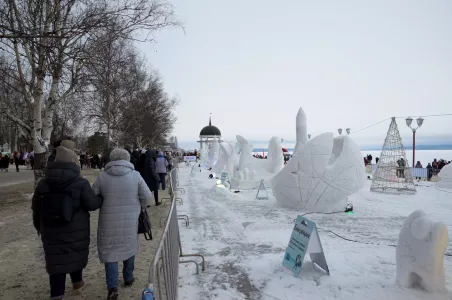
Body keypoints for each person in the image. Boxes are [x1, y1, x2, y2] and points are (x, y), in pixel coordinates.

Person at [31, 144, 102, 300]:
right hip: (75, 229)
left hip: (50, 230)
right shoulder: (80, 183)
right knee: (73, 255)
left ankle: (57, 294)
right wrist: (101, 198)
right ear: (73, 163)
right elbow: (92, 204)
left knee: (56, 262)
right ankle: (77, 282)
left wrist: (39, 226)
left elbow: (36, 207)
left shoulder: (43, 183)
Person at [92, 148, 152, 300]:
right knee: (128, 245)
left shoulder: (102, 176)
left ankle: (112, 287)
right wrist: (141, 206)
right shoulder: (135, 175)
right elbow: (146, 196)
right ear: (127, 159)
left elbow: (93, 195)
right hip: (130, 218)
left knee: (110, 251)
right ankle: (128, 277)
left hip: (108, 219)